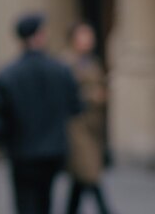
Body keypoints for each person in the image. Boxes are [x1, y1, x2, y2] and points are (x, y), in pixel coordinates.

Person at [0, 13, 82, 214]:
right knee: (45, 200)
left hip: (22, 152)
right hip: (53, 151)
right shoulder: (61, 70)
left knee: (25, 203)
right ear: (40, 35)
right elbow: (76, 107)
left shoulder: (8, 74)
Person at [62, 22, 111, 214]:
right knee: (90, 173)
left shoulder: (91, 61)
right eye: (84, 36)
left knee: (81, 179)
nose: (89, 40)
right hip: (77, 127)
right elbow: (67, 93)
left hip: (92, 126)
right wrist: (93, 95)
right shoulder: (67, 62)